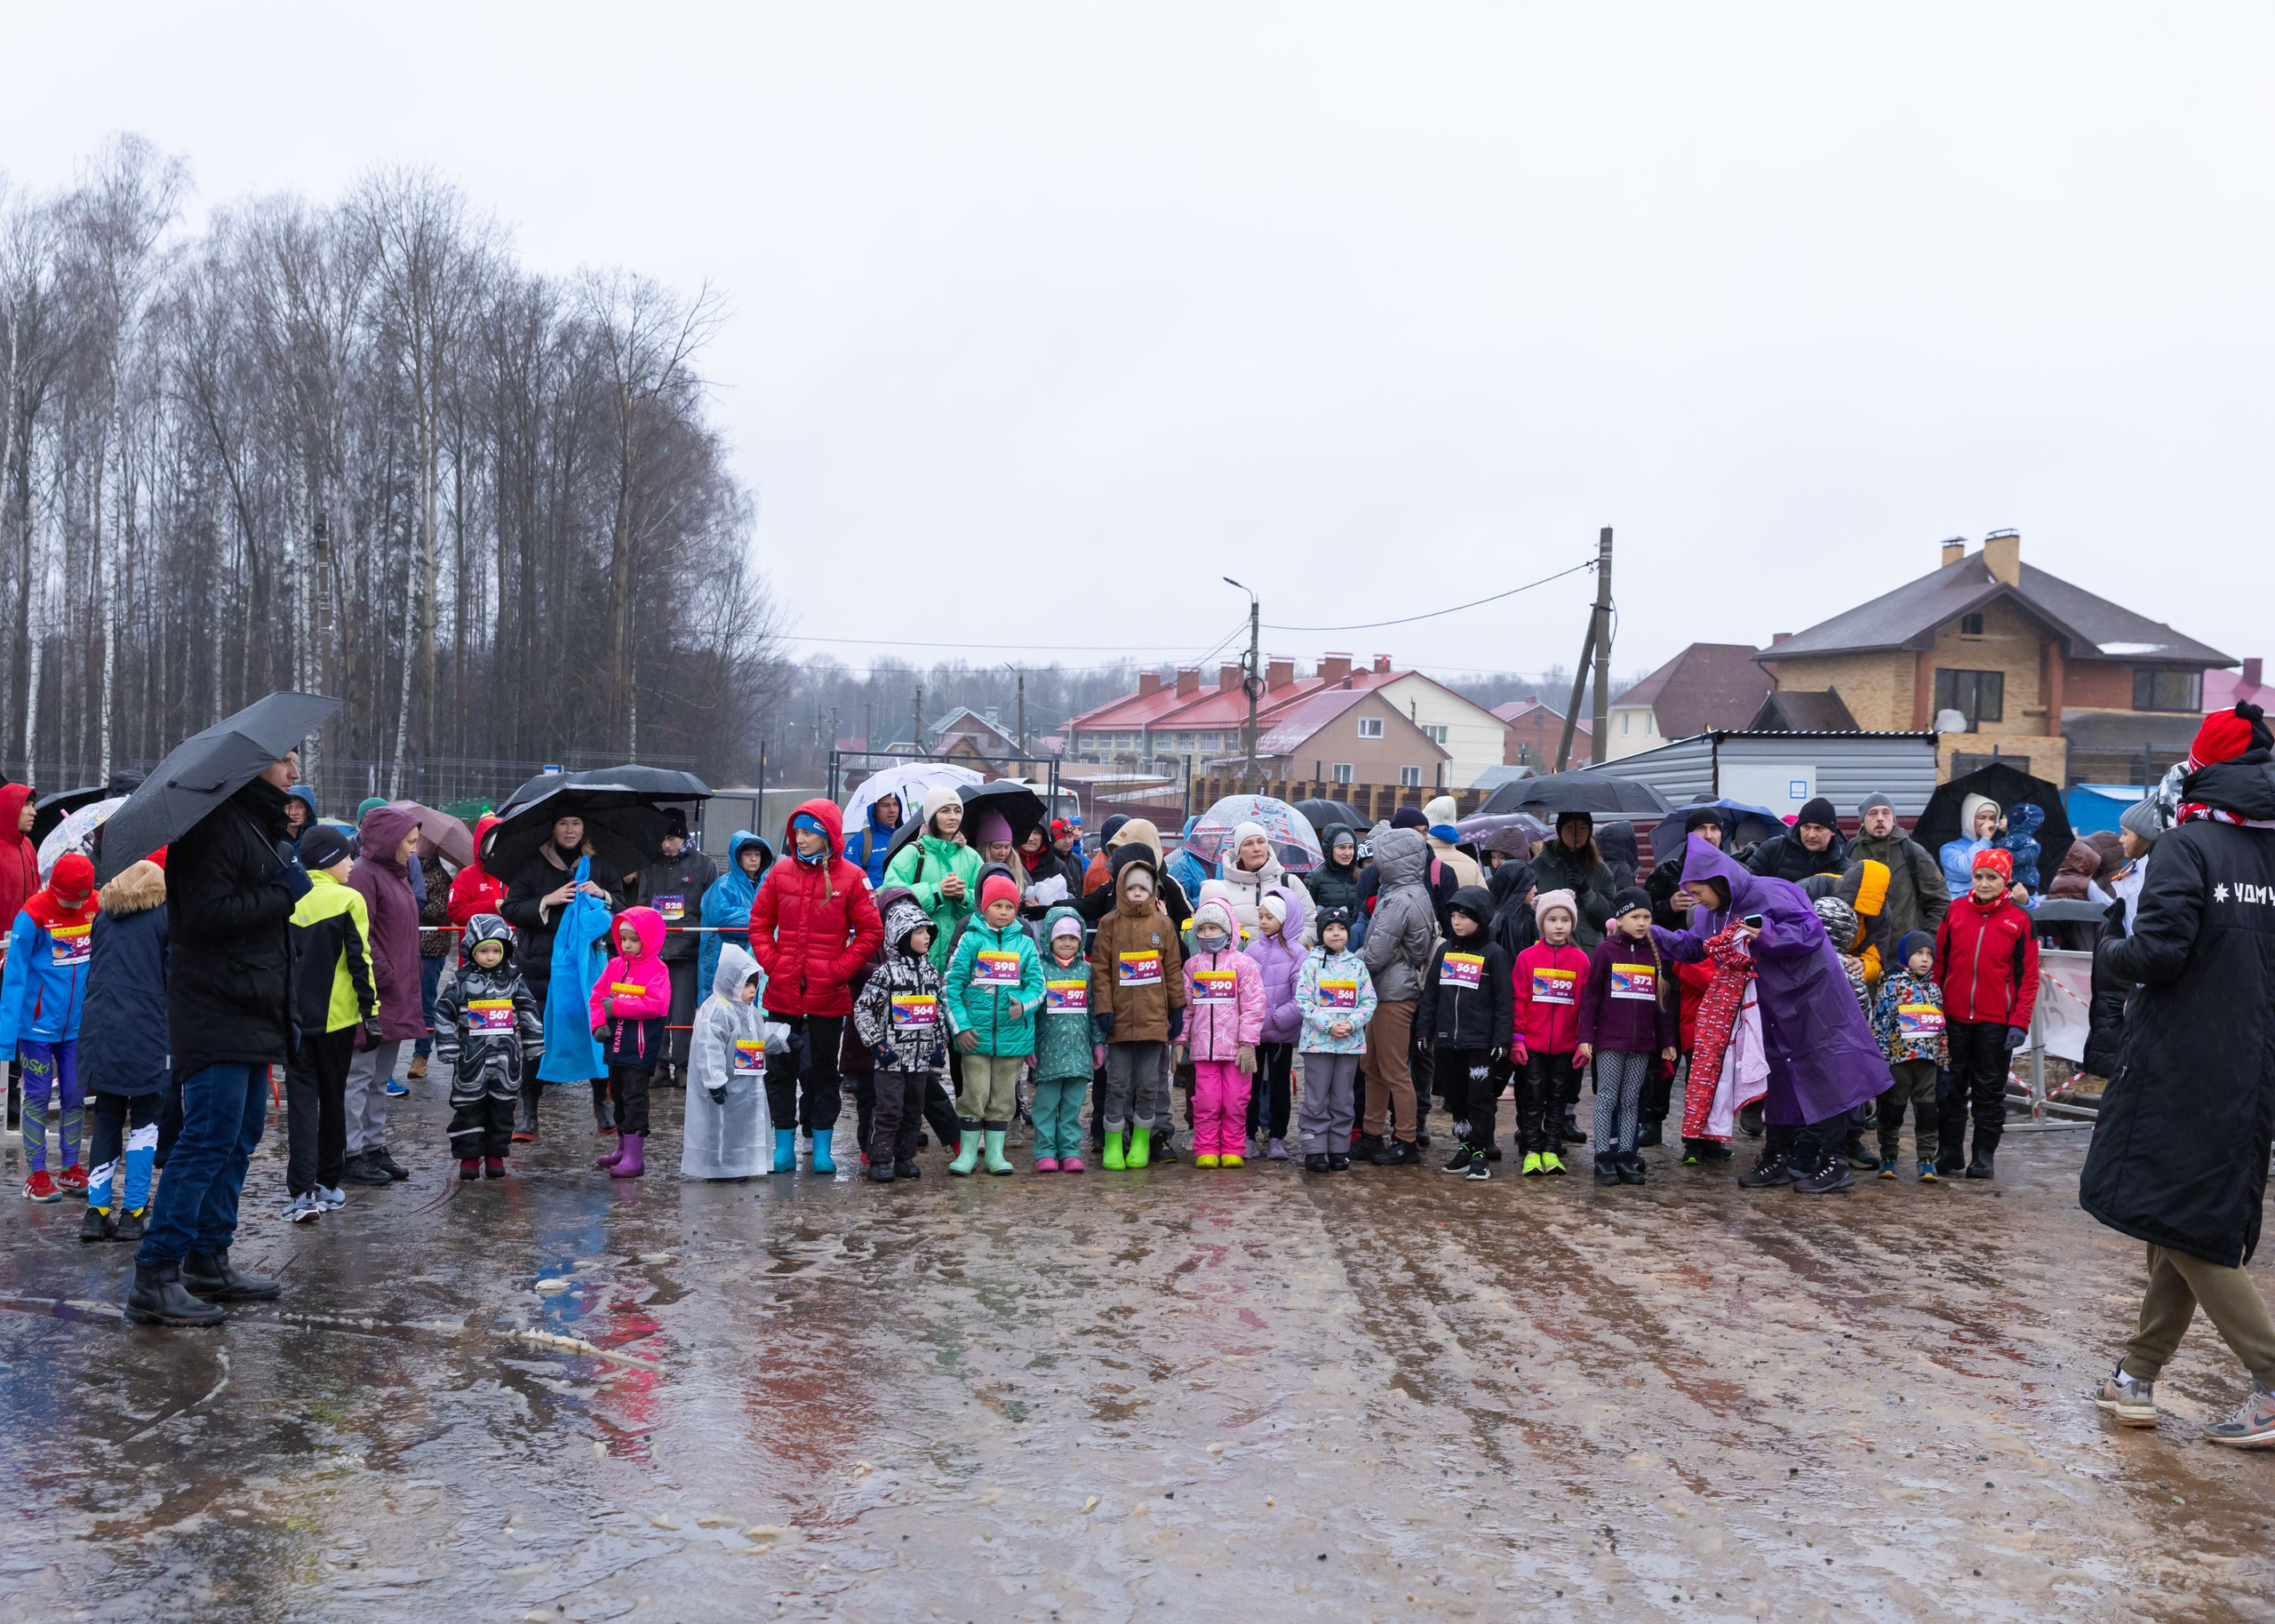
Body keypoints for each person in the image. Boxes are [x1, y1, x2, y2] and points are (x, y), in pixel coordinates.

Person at [2082, 702, 2275, 1448]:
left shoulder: (2189, 845)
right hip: (2253, 1060)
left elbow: (2158, 953)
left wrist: (2110, 946)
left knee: (2185, 1223)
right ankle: (2136, 1375)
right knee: (2179, 1215)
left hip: (2187, 1057)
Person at [125, 750, 305, 1328]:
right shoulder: (212, 828)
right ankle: (156, 1275)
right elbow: (206, 914)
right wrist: (284, 892)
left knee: (239, 1136)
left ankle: (208, 1257)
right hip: (215, 1010)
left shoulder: (254, 826)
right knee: (206, 1138)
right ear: (249, 767)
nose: (294, 772)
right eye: (284, 761)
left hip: (250, 1007)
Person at [1653, 834, 1891, 1196]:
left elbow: (1811, 931)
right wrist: (1650, 934)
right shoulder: (1709, 914)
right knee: (1777, 1077)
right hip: (1768, 1004)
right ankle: (1777, 1155)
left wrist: (1767, 933)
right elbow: (1695, 947)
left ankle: (1835, 1161)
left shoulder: (1770, 892)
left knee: (1828, 1073)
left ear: (1719, 881)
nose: (1696, 899)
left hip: (1812, 997)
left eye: (1699, 891)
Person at [747, 800, 884, 1176]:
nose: (800, 839)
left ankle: (821, 1147)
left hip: (828, 995)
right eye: (797, 832)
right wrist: (774, 964)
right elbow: (759, 923)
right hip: (782, 994)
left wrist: (839, 970)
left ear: (827, 836)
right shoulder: (779, 873)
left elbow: (871, 930)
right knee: (780, 1071)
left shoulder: (852, 877)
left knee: (824, 1072)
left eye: (808, 832)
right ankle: (783, 1147)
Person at [499, 813, 625, 1140]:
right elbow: (511, 908)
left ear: (585, 828)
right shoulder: (533, 865)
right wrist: (546, 900)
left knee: (596, 1031)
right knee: (537, 1040)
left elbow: (622, 907)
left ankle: (602, 1104)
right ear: (552, 827)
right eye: (563, 823)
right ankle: (529, 1113)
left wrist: (603, 895)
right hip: (542, 967)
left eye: (576, 823)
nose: (569, 830)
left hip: (589, 968)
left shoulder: (600, 866)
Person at [281, 828, 376, 1222]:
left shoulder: (287, 896)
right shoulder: (348, 898)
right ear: (327, 861)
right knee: (333, 1099)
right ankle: (329, 1185)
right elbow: (361, 961)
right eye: (347, 857)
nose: (352, 864)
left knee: (301, 1103)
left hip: (292, 1019)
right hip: (337, 1021)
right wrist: (371, 1014)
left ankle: (302, 1192)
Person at [77, 851, 172, 1242]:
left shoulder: (103, 915)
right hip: (148, 1031)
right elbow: (174, 977)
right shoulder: (165, 917)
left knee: (106, 1117)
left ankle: (96, 1213)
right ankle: (134, 1211)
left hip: (100, 1028)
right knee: (147, 1121)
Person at [1931, 848, 2037, 1180]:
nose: (1984, 883)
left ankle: (1983, 1156)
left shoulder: (2019, 920)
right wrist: (1933, 1008)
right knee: (1949, 1088)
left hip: (1995, 1022)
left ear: (2005, 880)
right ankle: (1949, 1151)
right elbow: (1938, 964)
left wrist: (2019, 1021)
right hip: (1953, 1017)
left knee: (1989, 1091)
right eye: (1979, 876)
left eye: (1992, 877)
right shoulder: (1956, 911)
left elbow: (2028, 977)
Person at [0, 850, 98, 1200]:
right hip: (37, 1028)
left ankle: (71, 1168)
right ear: (53, 888)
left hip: (77, 1026)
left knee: (74, 1095)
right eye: (66, 901)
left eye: (79, 901)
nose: (73, 908)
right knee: (38, 1097)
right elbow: (13, 976)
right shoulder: (33, 913)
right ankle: (36, 1174)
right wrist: (5, 1039)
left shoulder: (96, 906)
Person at [1090, 842, 1185, 1170]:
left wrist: (1177, 1009)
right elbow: (1100, 969)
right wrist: (1103, 1008)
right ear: (1121, 889)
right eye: (1130, 888)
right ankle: (1114, 1142)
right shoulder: (1109, 924)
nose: (1136, 894)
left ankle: (1142, 1141)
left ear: (1152, 890)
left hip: (1154, 1021)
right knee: (1117, 1085)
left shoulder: (1163, 925)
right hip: (1118, 1021)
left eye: (1143, 888)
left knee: (1148, 1084)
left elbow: (1172, 968)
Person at [341, 805, 424, 1185]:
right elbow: (360, 934)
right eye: (409, 841)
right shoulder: (363, 874)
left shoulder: (396, 873)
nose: (414, 849)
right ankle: (351, 1151)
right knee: (359, 1076)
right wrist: (386, 974)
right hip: (373, 994)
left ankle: (374, 1145)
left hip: (393, 993)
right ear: (390, 840)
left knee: (379, 1078)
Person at [1576, 887, 1679, 1186]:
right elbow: (1591, 997)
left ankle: (1624, 1156)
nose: (1642, 922)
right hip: (1610, 1042)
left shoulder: (1653, 954)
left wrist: (1667, 1041)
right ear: (1620, 919)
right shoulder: (1606, 951)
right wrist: (1586, 1036)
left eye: (1647, 916)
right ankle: (1603, 1157)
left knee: (1632, 1100)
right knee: (1607, 1098)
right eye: (1635, 916)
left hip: (1642, 1044)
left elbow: (1663, 1004)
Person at [943, 872, 1044, 1176]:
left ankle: (996, 1154)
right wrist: (960, 1027)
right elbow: (951, 987)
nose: (1003, 912)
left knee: (1002, 1096)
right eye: (997, 905)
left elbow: (1038, 986)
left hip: (1012, 1038)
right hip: (974, 1036)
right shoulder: (970, 940)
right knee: (973, 1093)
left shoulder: (1026, 945)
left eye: (1009, 906)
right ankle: (969, 1153)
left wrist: (1023, 1004)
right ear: (983, 907)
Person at [435, 914, 542, 1181]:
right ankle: (469, 1157)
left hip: (506, 1061)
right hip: (470, 1060)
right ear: (472, 949)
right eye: (484, 950)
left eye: (496, 950)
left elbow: (529, 1009)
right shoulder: (461, 980)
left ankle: (496, 1155)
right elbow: (443, 1011)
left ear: (506, 950)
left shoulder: (513, 979)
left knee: (503, 1108)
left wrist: (534, 1044)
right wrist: (448, 1045)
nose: (491, 956)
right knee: (468, 1109)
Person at [1417, 885, 1512, 1180]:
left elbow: (1504, 1000)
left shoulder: (1494, 954)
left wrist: (1501, 1039)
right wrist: (1424, 1031)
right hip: (1448, 1042)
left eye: (1464, 916)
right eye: (1454, 915)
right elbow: (1431, 993)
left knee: (1479, 1099)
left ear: (1481, 919)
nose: (1457, 922)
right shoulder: (1445, 950)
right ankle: (1465, 1148)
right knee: (1456, 1100)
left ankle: (1481, 1152)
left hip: (1480, 1043)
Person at [1357, 821, 1435, 1166]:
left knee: (1392, 1069)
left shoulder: (1398, 901)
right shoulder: (1410, 893)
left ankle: (1405, 1139)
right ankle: (1371, 1134)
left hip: (1393, 995)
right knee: (1372, 1065)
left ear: (1391, 860)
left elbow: (1375, 954)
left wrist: (1341, 961)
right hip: (1386, 992)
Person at [851, 896, 945, 1181]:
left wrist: (939, 1043)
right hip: (890, 1060)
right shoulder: (886, 973)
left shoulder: (930, 972)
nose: (927, 937)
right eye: (919, 932)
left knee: (913, 1109)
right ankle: (880, 1158)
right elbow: (863, 1009)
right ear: (901, 936)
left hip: (920, 1061)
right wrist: (877, 1044)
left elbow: (938, 1009)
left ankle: (905, 1157)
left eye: (928, 932)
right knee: (888, 1108)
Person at [1178, 896, 1265, 1170]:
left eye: (1213, 928)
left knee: (1235, 1101)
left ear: (1228, 930)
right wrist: (1180, 1040)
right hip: (1204, 1050)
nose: (1207, 934)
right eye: (1202, 930)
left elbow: (1253, 1005)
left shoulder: (1243, 964)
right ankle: (1205, 1147)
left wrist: (1248, 1043)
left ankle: (1232, 1146)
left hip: (1237, 1050)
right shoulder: (1192, 966)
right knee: (1206, 1100)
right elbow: (1187, 1008)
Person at [635, 808, 719, 1085]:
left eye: (671, 838)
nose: (666, 844)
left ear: (683, 836)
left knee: (683, 1011)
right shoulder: (651, 865)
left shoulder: (704, 865)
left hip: (688, 950)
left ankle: (682, 1066)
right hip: (655, 951)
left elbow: (711, 908)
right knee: (657, 1009)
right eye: (662, 839)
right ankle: (659, 1065)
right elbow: (644, 904)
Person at [587, 906, 672, 1179]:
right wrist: (598, 1022)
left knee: (635, 1098)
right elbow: (597, 997)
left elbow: (656, 1005)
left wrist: (617, 1008)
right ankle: (622, 1148)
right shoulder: (614, 966)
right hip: (615, 1046)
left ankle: (635, 1156)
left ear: (648, 939)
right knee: (620, 1096)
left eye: (634, 940)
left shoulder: (658, 970)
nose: (627, 945)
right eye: (623, 939)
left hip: (640, 1048)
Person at [1511, 890, 1588, 1176]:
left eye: (1565, 919)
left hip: (1567, 1046)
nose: (1559, 926)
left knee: (1559, 1099)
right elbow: (1519, 999)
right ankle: (1532, 1150)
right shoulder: (1527, 958)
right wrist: (1517, 1038)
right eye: (1552, 919)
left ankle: (1552, 1150)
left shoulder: (1581, 961)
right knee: (1531, 1099)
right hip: (1531, 1044)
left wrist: (1584, 1041)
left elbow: (1585, 1004)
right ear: (1541, 924)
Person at [1295, 906, 1375, 1172]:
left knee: (1343, 1098)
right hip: (1318, 1044)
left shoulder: (1358, 966)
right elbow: (1304, 1002)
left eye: (1341, 929)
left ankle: (1339, 1149)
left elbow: (1369, 1001)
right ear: (1321, 933)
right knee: (1316, 1099)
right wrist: (1328, 1026)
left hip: (1349, 1044)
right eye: (1329, 929)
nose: (1336, 933)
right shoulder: (1311, 965)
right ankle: (1314, 1149)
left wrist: (1351, 1024)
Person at [685, 944, 773, 1181]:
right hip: (726, 1083)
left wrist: (783, 1037)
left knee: (739, 1127)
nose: (752, 990)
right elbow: (708, 1046)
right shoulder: (717, 1010)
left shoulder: (747, 1010)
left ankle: (740, 1165)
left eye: (755, 984)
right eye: (746, 984)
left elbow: (757, 1038)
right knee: (721, 1127)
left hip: (744, 1082)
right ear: (729, 980)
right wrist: (714, 1080)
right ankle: (721, 1168)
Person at [1870, 929, 1946, 1182]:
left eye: (1929, 954)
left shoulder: (1934, 990)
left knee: (1927, 1111)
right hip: (1898, 1061)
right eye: (1918, 953)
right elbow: (1881, 1024)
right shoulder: (1891, 985)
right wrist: (1879, 1060)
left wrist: (1943, 1058)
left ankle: (1926, 1160)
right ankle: (1889, 1156)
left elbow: (1940, 1028)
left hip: (1927, 1062)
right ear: (1905, 955)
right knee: (1892, 1109)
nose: (1925, 959)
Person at [1027, 907, 1097, 1173]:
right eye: (1061, 938)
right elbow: (1032, 1012)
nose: (1067, 943)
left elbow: (1092, 1010)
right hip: (1048, 1051)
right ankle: (1044, 1151)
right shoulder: (1039, 970)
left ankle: (1069, 1150)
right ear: (1049, 940)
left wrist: (1098, 1044)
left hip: (1080, 1053)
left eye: (1073, 938)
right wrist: (1029, 1044)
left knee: (1072, 1106)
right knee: (1045, 1105)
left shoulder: (1087, 971)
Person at [884, 784, 982, 970]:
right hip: (915, 955)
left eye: (957, 811)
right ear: (931, 816)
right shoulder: (912, 853)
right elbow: (891, 895)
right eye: (945, 811)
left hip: (961, 951)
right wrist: (936, 891)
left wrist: (963, 896)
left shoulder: (972, 856)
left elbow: (985, 902)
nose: (953, 817)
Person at [1246, 884, 1307, 1160]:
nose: (1263, 922)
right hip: (1254, 1032)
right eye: (1261, 916)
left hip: (1281, 1034)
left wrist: (1274, 1018)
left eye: (1269, 917)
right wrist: (1252, 1019)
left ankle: (1276, 1136)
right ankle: (1247, 1134)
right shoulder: (1252, 950)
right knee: (1249, 1085)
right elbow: (1242, 987)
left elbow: (1302, 997)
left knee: (1281, 1086)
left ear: (1286, 919)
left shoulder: (1298, 954)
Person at [1847, 793, 1949, 941]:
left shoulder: (1913, 852)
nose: (1880, 818)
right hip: (1861, 952)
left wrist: (1925, 942)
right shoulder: (1850, 851)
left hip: (1904, 950)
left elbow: (1940, 901)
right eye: (1873, 813)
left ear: (1894, 820)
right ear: (1862, 821)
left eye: (1886, 813)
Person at [697, 831, 775, 998]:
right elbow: (722, 918)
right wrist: (763, 919)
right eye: (748, 855)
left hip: (756, 956)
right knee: (719, 1004)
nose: (754, 859)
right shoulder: (723, 885)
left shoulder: (768, 884)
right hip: (722, 957)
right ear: (737, 857)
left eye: (757, 854)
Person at [406, 836, 454, 1083]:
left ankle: (421, 1055)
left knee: (426, 1002)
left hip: (431, 949)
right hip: (405, 946)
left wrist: (410, 905)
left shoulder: (441, 876)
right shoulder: (401, 868)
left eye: (421, 840)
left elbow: (442, 910)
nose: (416, 844)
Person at [1530, 809, 1617, 948]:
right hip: (1549, 950)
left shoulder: (1600, 871)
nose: (1576, 833)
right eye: (1570, 827)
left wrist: (1587, 892)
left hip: (1588, 950)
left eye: (1583, 827)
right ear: (1560, 830)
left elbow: (1610, 920)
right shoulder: (1538, 867)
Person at [1749, 798, 1849, 886]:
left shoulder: (1844, 867)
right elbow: (1748, 884)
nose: (1811, 835)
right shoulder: (1773, 849)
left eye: (1818, 828)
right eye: (1806, 827)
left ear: (1832, 831)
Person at [1214, 820, 1285, 941]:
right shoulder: (1222, 889)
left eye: (1261, 842)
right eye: (1248, 844)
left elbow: (1309, 921)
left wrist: (1294, 942)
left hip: (1283, 958)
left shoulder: (1288, 883)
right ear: (1238, 852)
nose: (1257, 848)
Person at [1938, 794, 2002, 896]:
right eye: (1982, 818)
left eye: (1992, 818)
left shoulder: (1998, 849)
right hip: (1961, 907)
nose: (1988, 822)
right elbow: (1966, 871)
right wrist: (1984, 840)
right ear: (1969, 820)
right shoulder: (1949, 849)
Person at [843, 791, 904, 888]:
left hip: (906, 899)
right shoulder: (861, 841)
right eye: (885, 805)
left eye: (895, 804)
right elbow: (847, 879)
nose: (892, 810)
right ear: (874, 810)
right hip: (873, 901)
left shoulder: (907, 837)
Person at [1305, 824, 1362, 921]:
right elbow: (1306, 915)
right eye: (1342, 847)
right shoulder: (1314, 878)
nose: (1347, 853)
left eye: (1351, 847)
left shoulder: (1362, 876)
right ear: (1329, 849)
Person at [1165, 815, 1217, 911]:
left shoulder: (1223, 863)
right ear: (1194, 839)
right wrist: (1213, 898)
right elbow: (1181, 903)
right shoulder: (1181, 867)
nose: (1213, 841)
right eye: (1207, 836)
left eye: (1217, 835)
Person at [1994, 801, 2047, 896]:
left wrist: (2008, 857)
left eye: (2005, 817)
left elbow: (2031, 853)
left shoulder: (2023, 837)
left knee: (2016, 901)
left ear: (2015, 820)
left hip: (2024, 881)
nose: (2000, 820)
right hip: (2007, 880)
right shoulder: (2000, 840)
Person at [283, 785, 318, 850]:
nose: (294, 813)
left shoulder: (317, 841)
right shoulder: (271, 841)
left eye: (300, 807)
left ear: (308, 811)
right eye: (289, 807)